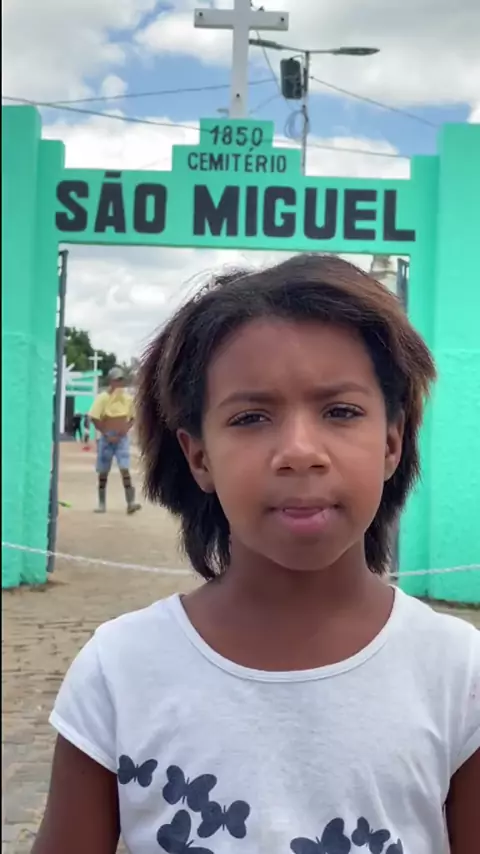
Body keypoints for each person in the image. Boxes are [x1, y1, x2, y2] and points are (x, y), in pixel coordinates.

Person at [32, 255, 479, 854]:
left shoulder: (458, 673)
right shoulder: (120, 671)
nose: (299, 451)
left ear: (392, 442)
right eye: (251, 417)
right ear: (199, 457)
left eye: (341, 411)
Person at [88, 366, 141, 514]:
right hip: (107, 438)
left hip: (121, 437)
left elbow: (132, 418)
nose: (119, 383)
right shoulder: (103, 398)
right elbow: (94, 417)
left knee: (125, 468)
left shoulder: (127, 399)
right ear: (111, 381)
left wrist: (126, 429)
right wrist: (106, 433)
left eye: (121, 380)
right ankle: (101, 503)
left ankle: (130, 502)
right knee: (103, 471)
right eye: (117, 380)